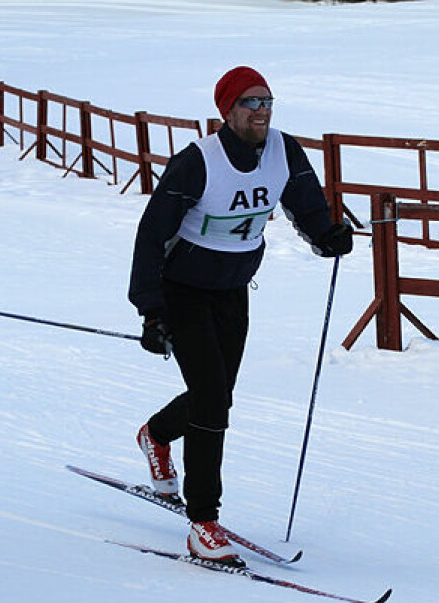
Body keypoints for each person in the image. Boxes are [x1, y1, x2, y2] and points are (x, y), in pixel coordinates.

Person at [128, 66, 353, 567]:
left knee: (218, 394)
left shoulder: (283, 151)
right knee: (212, 402)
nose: (262, 111)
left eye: (268, 102)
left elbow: (306, 203)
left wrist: (326, 236)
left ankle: (157, 435)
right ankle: (203, 522)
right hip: (181, 290)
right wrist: (150, 310)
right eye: (251, 103)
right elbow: (151, 233)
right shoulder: (196, 162)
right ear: (227, 110)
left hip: (232, 290)